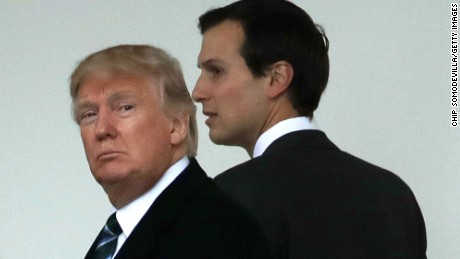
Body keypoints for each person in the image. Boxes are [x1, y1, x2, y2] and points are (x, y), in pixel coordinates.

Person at [192, 0, 427, 258]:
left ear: (277, 78)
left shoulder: (230, 197)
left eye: (215, 71)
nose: (198, 92)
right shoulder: (394, 196)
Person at [70, 44, 272, 258]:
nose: (102, 129)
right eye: (89, 114)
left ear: (177, 126)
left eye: (125, 107)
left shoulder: (217, 230)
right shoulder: (116, 235)